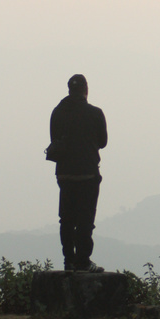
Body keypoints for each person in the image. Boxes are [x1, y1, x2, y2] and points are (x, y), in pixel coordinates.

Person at [50, 74, 108, 273]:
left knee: (66, 219)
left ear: (69, 89)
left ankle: (69, 261)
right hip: (87, 174)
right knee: (85, 219)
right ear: (86, 89)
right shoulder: (95, 113)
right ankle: (83, 261)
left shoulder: (57, 112)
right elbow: (102, 142)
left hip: (64, 174)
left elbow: (54, 139)